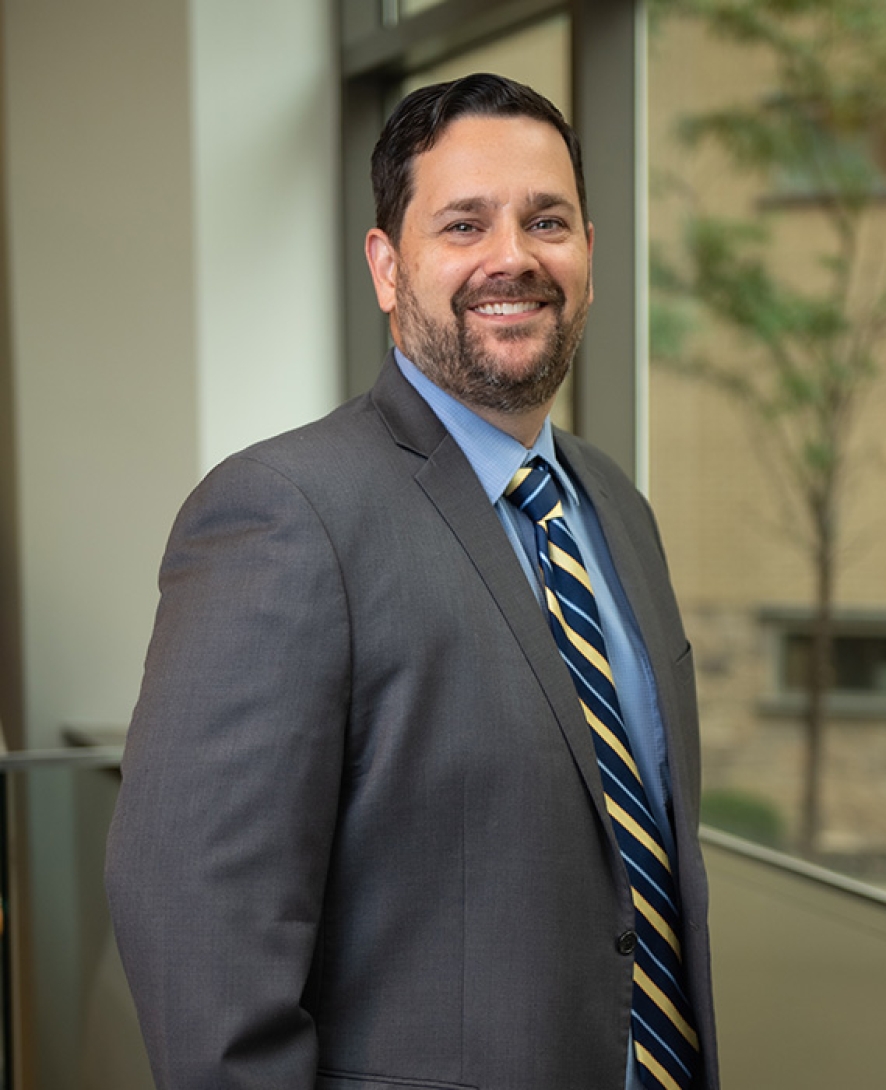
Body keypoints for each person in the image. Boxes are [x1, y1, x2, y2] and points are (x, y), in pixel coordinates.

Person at [106, 73, 719, 1090]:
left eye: (547, 220)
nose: (512, 257)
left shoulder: (617, 508)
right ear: (388, 267)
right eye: (463, 224)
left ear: (590, 256)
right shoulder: (283, 513)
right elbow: (199, 935)